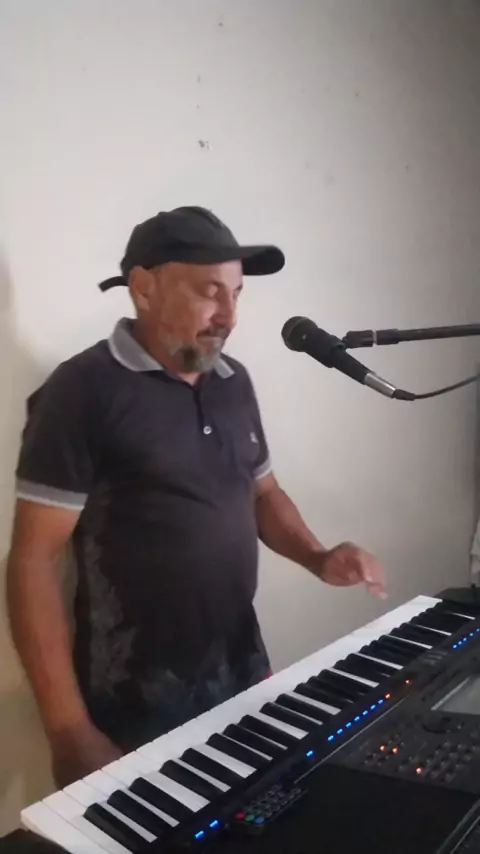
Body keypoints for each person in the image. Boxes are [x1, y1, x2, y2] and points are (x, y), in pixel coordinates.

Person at [6, 205, 386, 788]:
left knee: (259, 815)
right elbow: (33, 561)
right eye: (210, 292)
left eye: (236, 293)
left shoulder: (234, 382)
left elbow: (263, 493)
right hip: (135, 704)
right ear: (144, 289)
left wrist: (318, 555)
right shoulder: (80, 392)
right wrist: (68, 732)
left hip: (242, 674)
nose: (229, 314)